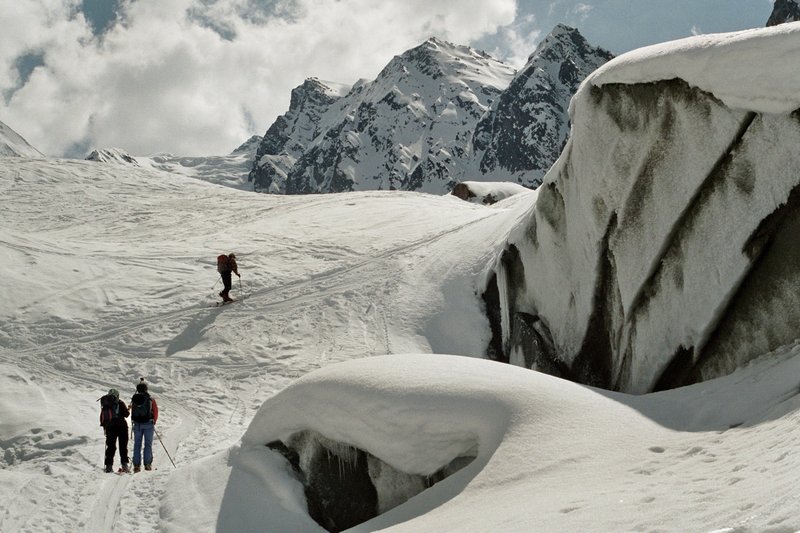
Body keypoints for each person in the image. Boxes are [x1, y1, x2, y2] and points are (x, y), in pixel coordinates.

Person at [129, 378, 159, 472]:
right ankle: (147, 464)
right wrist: (153, 421)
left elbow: (132, 411)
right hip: (148, 424)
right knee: (148, 444)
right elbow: (155, 411)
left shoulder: (134, 399)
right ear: (146, 389)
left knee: (137, 444)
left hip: (137, 424)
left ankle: (136, 465)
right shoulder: (150, 399)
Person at [99, 388, 130, 473]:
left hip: (110, 427)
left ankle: (109, 466)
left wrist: (105, 427)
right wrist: (128, 409)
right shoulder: (120, 402)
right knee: (123, 446)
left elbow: (103, 417)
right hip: (122, 426)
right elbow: (126, 414)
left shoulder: (106, 404)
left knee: (111, 447)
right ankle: (124, 465)